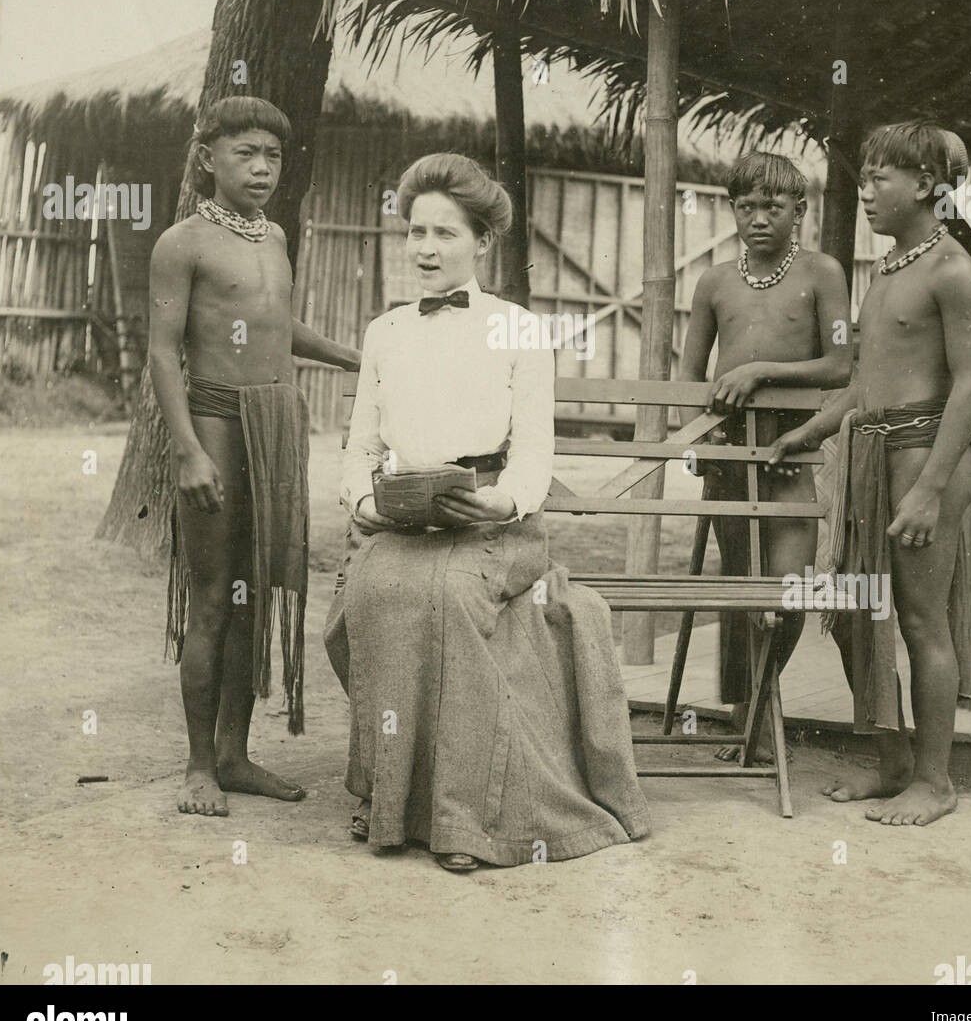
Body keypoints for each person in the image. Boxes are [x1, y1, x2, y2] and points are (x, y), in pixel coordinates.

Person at [326, 152, 650, 872]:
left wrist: (500, 500)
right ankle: (389, 797)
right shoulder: (386, 332)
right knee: (373, 593)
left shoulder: (518, 329)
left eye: (445, 234)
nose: (426, 250)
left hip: (495, 522)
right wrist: (364, 500)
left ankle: (462, 818)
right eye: (416, 233)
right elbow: (359, 449)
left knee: (446, 600)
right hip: (408, 519)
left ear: (481, 242)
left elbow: (534, 453)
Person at [769, 121, 971, 826]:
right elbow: (864, 381)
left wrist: (928, 489)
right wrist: (807, 429)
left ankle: (934, 779)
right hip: (870, 454)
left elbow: (969, 386)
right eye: (862, 178)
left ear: (924, 184)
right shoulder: (888, 268)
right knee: (855, 619)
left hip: (926, 456)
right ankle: (892, 760)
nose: (863, 192)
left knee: (922, 622)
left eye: (877, 179)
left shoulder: (952, 269)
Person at [149, 96, 361, 818]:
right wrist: (187, 451)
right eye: (245, 153)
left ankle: (237, 757)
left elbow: (274, 321)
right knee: (212, 600)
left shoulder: (273, 237)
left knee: (252, 598)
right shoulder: (182, 243)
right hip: (214, 421)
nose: (262, 168)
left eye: (271, 155)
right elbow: (161, 350)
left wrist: (350, 355)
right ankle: (198, 768)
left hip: (275, 426)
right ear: (207, 158)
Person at [679, 152, 851, 759]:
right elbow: (688, 376)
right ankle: (751, 715)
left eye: (772, 206)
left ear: (799, 210)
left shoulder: (823, 273)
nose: (758, 218)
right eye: (746, 206)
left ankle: (759, 704)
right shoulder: (714, 282)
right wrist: (697, 437)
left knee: (790, 590)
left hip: (793, 454)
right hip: (731, 456)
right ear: (732, 209)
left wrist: (760, 370)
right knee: (743, 588)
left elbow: (840, 364)